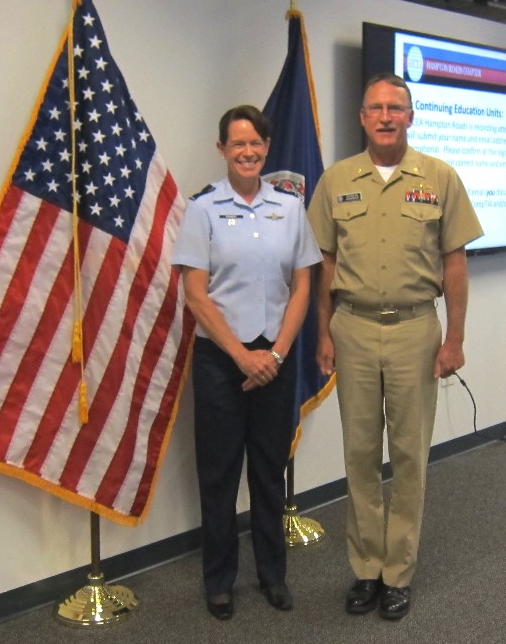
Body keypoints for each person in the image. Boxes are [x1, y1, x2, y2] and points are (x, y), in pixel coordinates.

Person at [308, 73, 483, 620]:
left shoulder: (440, 177)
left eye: (396, 108)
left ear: (411, 116)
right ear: (362, 118)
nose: (386, 116)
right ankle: (365, 569)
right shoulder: (336, 181)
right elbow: (325, 265)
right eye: (376, 108)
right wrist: (323, 334)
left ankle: (398, 572)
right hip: (352, 328)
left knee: (410, 455)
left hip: (415, 330)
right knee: (359, 454)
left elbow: (454, 264)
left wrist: (454, 338)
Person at [172, 104, 321, 621]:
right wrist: (242, 357)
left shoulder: (290, 207)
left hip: (275, 359)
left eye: (256, 143)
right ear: (222, 150)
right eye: (238, 144)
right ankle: (219, 581)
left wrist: (276, 353)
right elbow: (195, 293)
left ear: (266, 147)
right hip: (221, 360)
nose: (248, 152)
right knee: (218, 474)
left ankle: (272, 575)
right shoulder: (202, 209)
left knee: (268, 472)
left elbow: (303, 284)